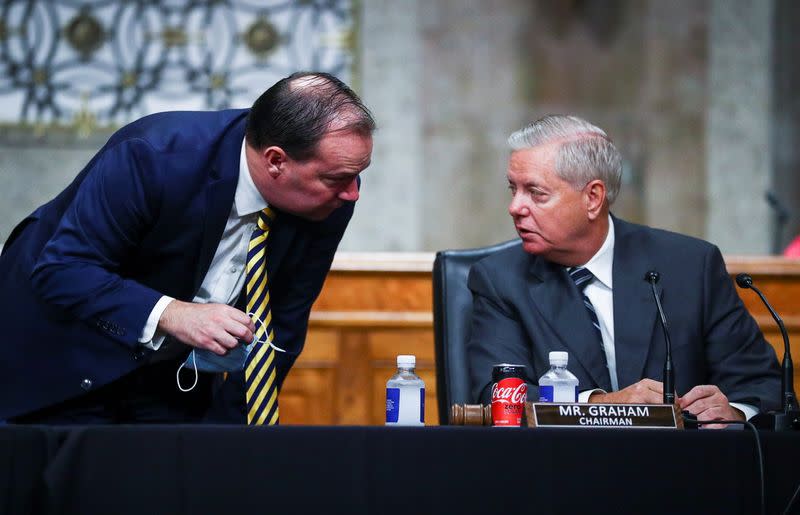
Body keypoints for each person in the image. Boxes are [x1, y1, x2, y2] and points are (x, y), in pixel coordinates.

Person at [0, 71, 375, 424]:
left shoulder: (332, 197)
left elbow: (283, 323)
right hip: (60, 356)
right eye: (337, 178)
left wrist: (228, 435)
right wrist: (174, 314)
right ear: (276, 160)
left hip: (171, 380)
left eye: (358, 174)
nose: (353, 193)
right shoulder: (155, 156)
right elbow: (64, 269)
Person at [467, 115, 781, 426]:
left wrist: (736, 412)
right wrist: (601, 405)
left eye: (536, 193)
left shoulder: (690, 267)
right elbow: (495, 396)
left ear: (592, 198)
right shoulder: (500, 279)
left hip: (678, 467)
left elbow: (763, 386)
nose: (515, 207)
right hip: (561, 466)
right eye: (514, 189)